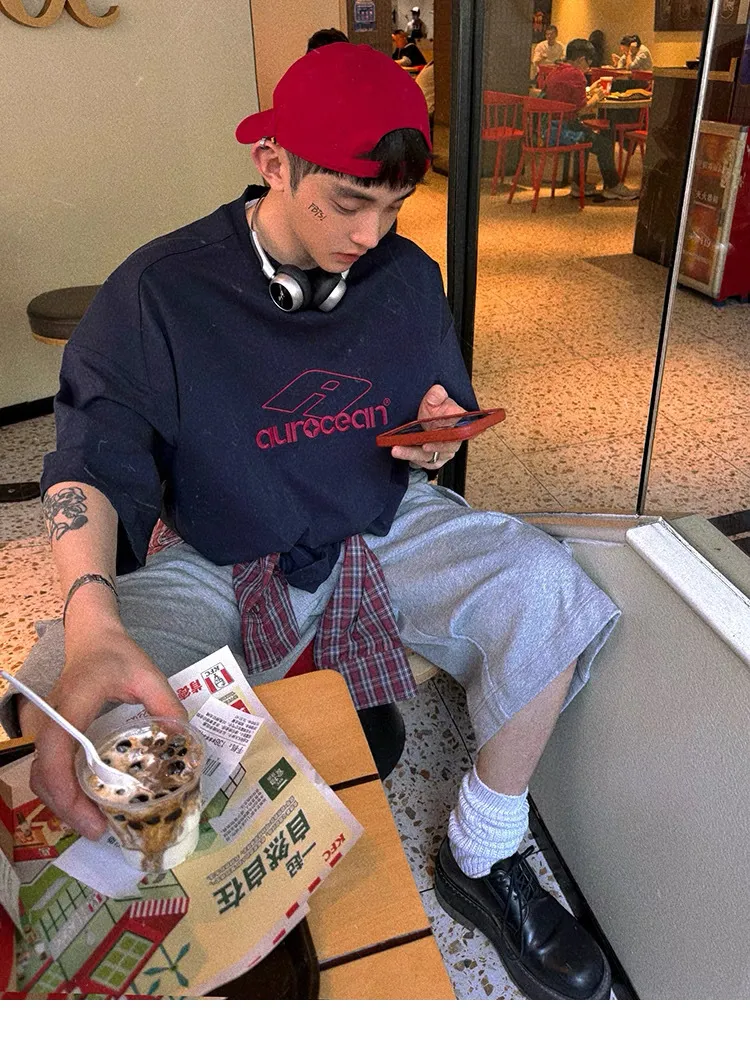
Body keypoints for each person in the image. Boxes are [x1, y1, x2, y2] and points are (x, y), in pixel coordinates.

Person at [2, 43, 621, 1001]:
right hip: (219, 548)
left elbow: (437, 410)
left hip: (379, 524)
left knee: (549, 588)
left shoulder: (406, 277)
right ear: (274, 164)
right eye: (347, 202)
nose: (371, 234)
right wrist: (90, 618)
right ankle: (169, 898)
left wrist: (435, 443)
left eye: (393, 206)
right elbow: (87, 461)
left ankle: (485, 848)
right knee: (60, 697)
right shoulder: (163, 291)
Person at [545, 38, 639, 200]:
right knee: (604, 144)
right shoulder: (576, 75)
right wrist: (596, 97)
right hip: (564, 130)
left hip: (549, 127)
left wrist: (589, 89)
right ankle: (613, 186)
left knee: (587, 134)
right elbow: (581, 110)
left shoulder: (556, 71)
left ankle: (578, 184)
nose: (588, 67)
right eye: (588, 63)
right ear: (582, 59)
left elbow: (567, 98)